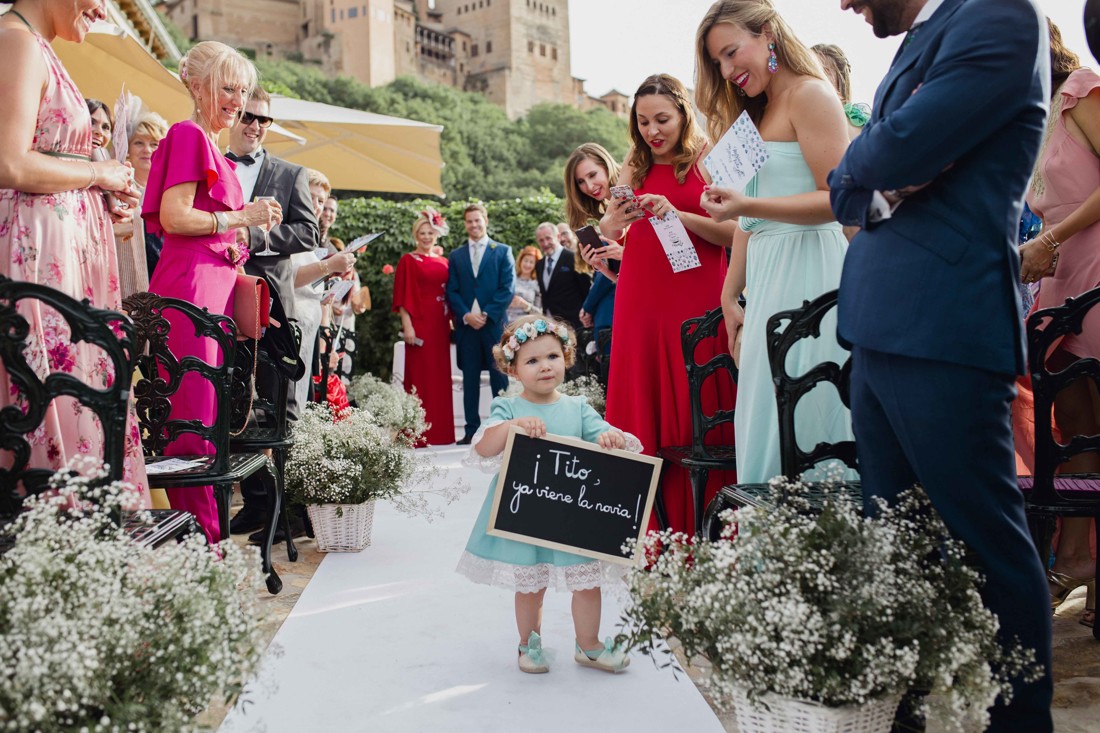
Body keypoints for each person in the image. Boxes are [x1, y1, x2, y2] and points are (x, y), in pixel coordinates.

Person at [830, 0, 1052, 729]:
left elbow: (891, 151)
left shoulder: (999, 18)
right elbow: (856, 177)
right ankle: (911, 713)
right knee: (893, 547)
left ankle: (1020, 719)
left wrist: (876, 162)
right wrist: (876, 166)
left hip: (945, 326)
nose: (845, 4)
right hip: (877, 324)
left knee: (985, 545)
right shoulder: (925, 37)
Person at [696, 0, 854, 487]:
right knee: (766, 419)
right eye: (717, 62)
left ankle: (824, 549)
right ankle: (773, 556)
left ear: (767, 32)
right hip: (767, 282)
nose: (726, 71)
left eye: (730, 53)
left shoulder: (811, 95)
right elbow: (748, 221)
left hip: (812, 272)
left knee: (811, 416)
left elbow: (840, 200)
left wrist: (746, 206)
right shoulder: (756, 116)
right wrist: (729, 294)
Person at [0, 0, 148, 505]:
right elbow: (10, 163)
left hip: (58, 265)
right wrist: (99, 174)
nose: (104, 9)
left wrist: (101, 202)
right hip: (33, 263)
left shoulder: (39, 45)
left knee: (71, 394)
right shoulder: (15, 41)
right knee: (45, 389)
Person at [143, 41, 282, 545]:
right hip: (191, 295)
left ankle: (203, 545)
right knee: (192, 424)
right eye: (228, 88)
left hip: (212, 292)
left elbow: (207, 224)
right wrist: (241, 218)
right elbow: (176, 218)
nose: (237, 100)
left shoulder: (205, 140)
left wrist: (241, 233)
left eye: (242, 90)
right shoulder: (187, 134)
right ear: (197, 86)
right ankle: (204, 549)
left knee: (203, 423)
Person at [455, 315, 634, 674]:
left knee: (587, 581)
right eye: (532, 361)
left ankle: (590, 645)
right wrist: (513, 427)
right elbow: (486, 446)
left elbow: (602, 433)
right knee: (531, 583)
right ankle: (529, 644)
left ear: (566, 358)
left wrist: (607, 438)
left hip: (573, 513)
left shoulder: (577, 407)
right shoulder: (509, 408)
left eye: (552, 356)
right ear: (514, 370)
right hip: (528, 513)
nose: (544, 366)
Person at [599, 74, 738, 535]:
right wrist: (612, 222)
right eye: (642, 122)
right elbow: (611, 231)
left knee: (698, 406)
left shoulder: (708, 159)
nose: (652, 131)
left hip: (698, 298)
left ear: (683, 113)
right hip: (640, 299)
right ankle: (651, 531)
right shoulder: (633, 167)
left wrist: (678, 214)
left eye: (662, 119)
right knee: (646, 403)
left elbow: (736, 232)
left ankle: (709, 526)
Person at [1017, 20, 1100, 630]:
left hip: (1093, 257)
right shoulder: (1030, 117)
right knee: (1073, 423)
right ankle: (1077, 555)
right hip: (1056, 270)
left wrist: (1053, 236)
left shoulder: (1082, 88)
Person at [226, 85, 320, 537]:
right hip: (218, 303)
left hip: (272, 309)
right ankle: (259, 503)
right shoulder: (211, 167)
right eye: (248, 116)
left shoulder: (291, 172)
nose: (255, 126)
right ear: (230, 115)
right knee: (233, 407)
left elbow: (308, 233)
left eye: (263, 119)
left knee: (279, 409)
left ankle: (292, 513)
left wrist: (256, 237)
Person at [446, 203, 515, 445]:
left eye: (478, 220)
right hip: (467, 328)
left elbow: (507, 288)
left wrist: (486, 314)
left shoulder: (503, 251)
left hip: (493, 325)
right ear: (465, 224)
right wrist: (466, 315)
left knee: (500, 379)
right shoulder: (456, 255)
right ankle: (471, 430)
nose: (474, 225)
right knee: (470, 380)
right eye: (469, 221)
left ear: (485, 220)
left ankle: (503, 429)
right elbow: (452, 290)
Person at [392, 208, 455, 446]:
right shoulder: (408, 260)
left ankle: (441, 433)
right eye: (422, 233)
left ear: (436, 234)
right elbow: (402, 296)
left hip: (441, 324)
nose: (426, 237)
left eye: (430, 232)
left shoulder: (444, 261)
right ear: (415, 234)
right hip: (419, 324)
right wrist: (407, 326)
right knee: (419, 377)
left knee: (440, 377)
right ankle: (416, 433)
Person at [113, 110, 167, 297]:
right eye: (139, 143)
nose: (147, 150)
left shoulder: (170, 192)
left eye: (154, 144)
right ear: (128, 149)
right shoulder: (117, 189)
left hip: (164, 279)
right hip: (125, 282)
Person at [534, 221, 590, 331]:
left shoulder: (574, 258)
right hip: (550, 324)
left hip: (574, 323)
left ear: (558, 237)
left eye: (548, 238)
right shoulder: (539, 265)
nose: (545, 243)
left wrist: (587, 314)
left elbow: (586, 289)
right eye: (541, 240)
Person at [811, 44, 869, 141]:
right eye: (811, 71)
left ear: (841, 80)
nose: (815, 78)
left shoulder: (858, 122)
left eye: (825, 71)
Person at [506, 244, 542, 323]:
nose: (527, 264)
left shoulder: (537, 285)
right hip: (505, 325)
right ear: (520, 261)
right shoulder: (509, 279)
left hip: (526, 327)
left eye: (531, 262)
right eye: (526, 260)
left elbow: (540, 313)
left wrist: (525, 305)